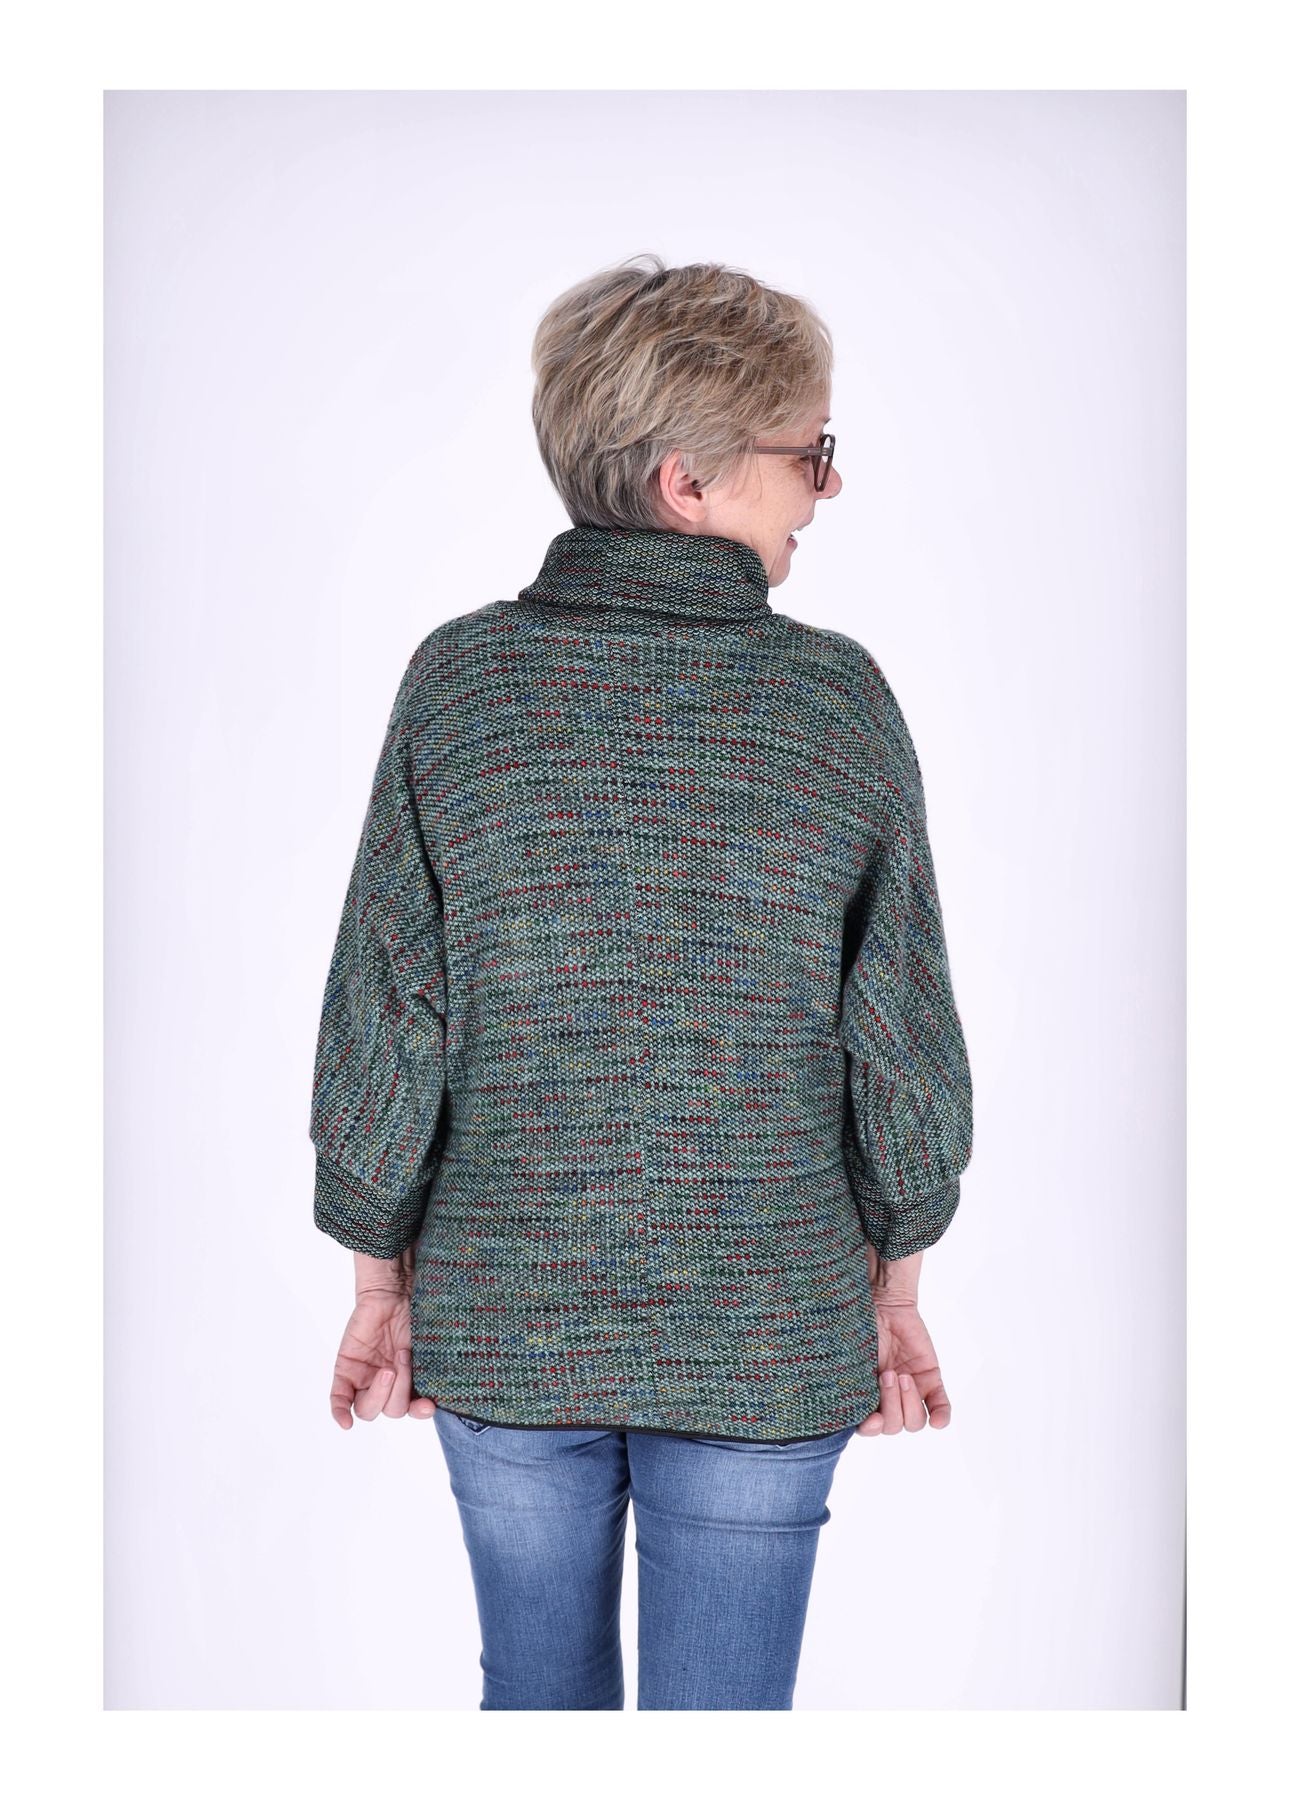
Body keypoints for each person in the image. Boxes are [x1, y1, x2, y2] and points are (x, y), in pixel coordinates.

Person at [308, 254, 974, 1710]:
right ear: (689, 483)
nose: (826, 489)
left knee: (536, 1713)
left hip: (506, 1312)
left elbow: (387, 1007)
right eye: (810, 454)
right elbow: (901, 1034)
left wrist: (378, 1272)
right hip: (767, 1323)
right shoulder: (835, 700)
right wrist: (897, 1274)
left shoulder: (459, 684)